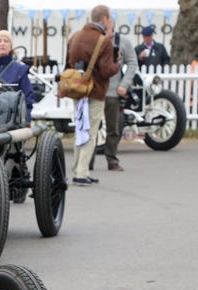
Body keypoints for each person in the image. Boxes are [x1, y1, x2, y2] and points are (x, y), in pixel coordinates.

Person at [65, 5, 119, 185]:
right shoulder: (103, 41)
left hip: (77, 90)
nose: (110, 22)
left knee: (80, 129)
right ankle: (82, 172)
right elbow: (105, 71)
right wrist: (117, 64)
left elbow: (68, 66)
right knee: (91, 131)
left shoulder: (74, 37)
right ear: (104, 19)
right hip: (94, 91)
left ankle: (78, 168)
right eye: (109, 19)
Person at [0, 30, 35, 123]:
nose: (2, 44)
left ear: (11, 47)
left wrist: (26, 119)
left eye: (6, 41)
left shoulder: (20, 70)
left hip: (12, 121)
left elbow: (27, 97)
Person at [103, 28, 138, 171]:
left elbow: (132, 62)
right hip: (95, 92)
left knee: (115, 128)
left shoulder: (123, 41)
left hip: (113, 92)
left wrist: (124, 84)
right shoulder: (92, 39)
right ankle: (87, 162)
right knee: (90, 129)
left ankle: (111, 159)